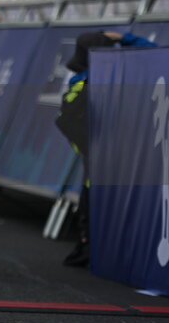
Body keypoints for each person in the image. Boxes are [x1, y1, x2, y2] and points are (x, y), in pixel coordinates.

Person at [57, 30, 155, 267]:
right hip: (117, 149)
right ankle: (100, 249)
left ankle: (89, 245)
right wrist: (125, 37)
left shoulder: (80, 81)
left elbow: (64, 121)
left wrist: (89, 149)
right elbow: (155, 52)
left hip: (98, 153)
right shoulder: (114, 76)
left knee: (92, 197)